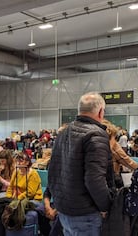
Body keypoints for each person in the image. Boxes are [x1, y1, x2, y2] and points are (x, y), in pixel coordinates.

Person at [48, 92, 111, 236]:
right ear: (101, 112)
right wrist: (106, 206)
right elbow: (94, 179)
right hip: (86, 213)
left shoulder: (63, 132)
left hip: (65, 210)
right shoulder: (96, 134)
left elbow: (53, 171)